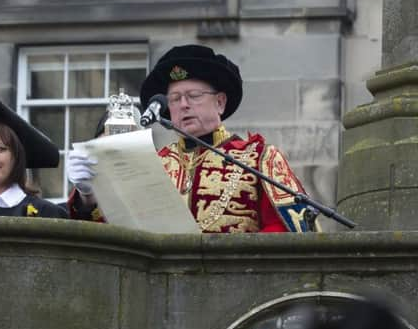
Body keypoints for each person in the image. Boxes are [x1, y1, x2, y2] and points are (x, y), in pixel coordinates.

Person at [68, 44, 317, 233]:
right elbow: (111, 232)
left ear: (220, 102)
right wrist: (87, 196)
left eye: (194, 95)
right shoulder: (152, 164)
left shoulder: (258, 157)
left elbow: (291, 235)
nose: (183, 105)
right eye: (175, 99)